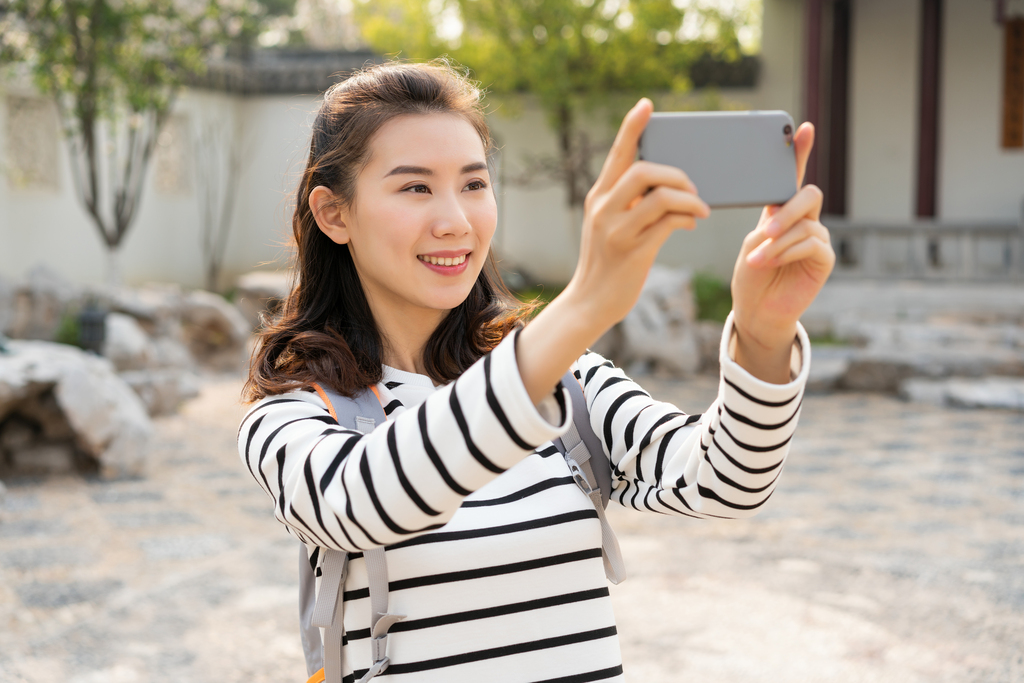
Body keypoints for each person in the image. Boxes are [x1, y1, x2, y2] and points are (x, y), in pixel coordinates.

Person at [238, 59, 834, 683]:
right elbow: (365, 501)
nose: (456, 220)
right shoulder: (292, 415)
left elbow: (725, 483)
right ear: (334, 214)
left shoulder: (567, 380)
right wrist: (586, 302)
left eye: (473, 184)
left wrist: (763, 333)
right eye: (415, 188)